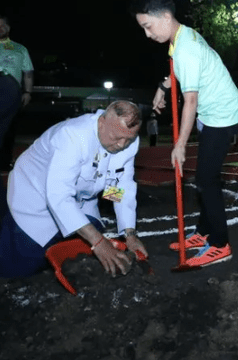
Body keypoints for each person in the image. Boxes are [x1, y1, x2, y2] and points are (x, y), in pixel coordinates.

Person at [131, 0, 238, 268]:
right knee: (206, 178)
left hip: (223, 115)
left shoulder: (186, 49)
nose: (147, 34)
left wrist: (180, 144)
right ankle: (204, 231)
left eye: (148, 26)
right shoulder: (181, 37)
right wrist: (162, 86)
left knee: (206, 180)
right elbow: (178, 75)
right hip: (215, 112)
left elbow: (190, 102)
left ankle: (219, 244)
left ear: (166, 17)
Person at [0, 100, 146, 278]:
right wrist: (98, 241)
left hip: (80, 196)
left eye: (129, 139)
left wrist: (129, 234)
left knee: (81, 253)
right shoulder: (72, 135)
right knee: (18, 268)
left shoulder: (129, 143)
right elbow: (58, 195)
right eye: (116, 138)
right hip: (35, 194)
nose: (122, 145)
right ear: (101, 122)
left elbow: (119, 189)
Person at [0, 15, 34, 171]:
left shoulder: (20, 49)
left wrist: (27, 92)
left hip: (11, 94)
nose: (1, 27)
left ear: (9, 28)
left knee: (8, 129)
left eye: (4, 25)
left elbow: (27, 73)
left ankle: (4, 164)